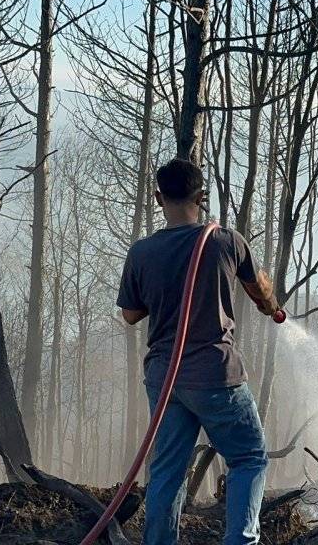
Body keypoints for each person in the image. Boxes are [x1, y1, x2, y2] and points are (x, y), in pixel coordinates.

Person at [117, 158, 281, 545]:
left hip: (165, 379)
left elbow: (130, 314)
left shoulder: (141, 252)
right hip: (215, 374)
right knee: (248, 458)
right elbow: (260, 291)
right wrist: (273, 307)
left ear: (159, 197)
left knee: (168, 472)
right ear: (201, 196)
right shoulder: (226, 241)